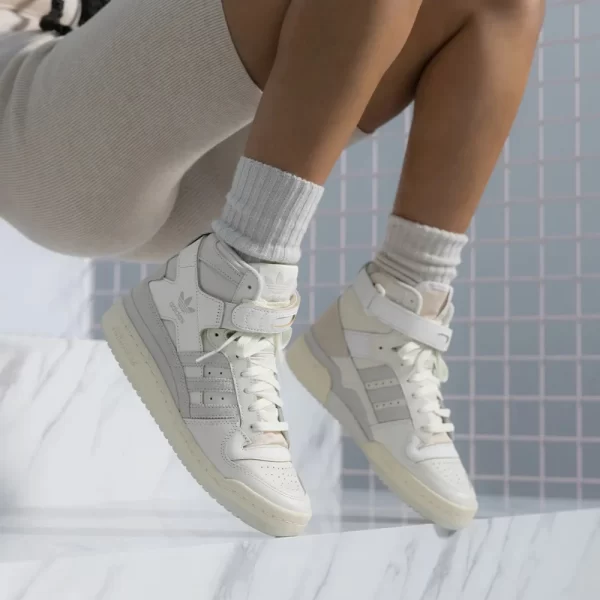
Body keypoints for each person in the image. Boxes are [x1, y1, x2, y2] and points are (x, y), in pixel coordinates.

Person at [0, 0, 545, 536]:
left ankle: (392, 315)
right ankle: (228, 285)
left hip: (175, 136)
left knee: (503, 5)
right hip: (35, 118)